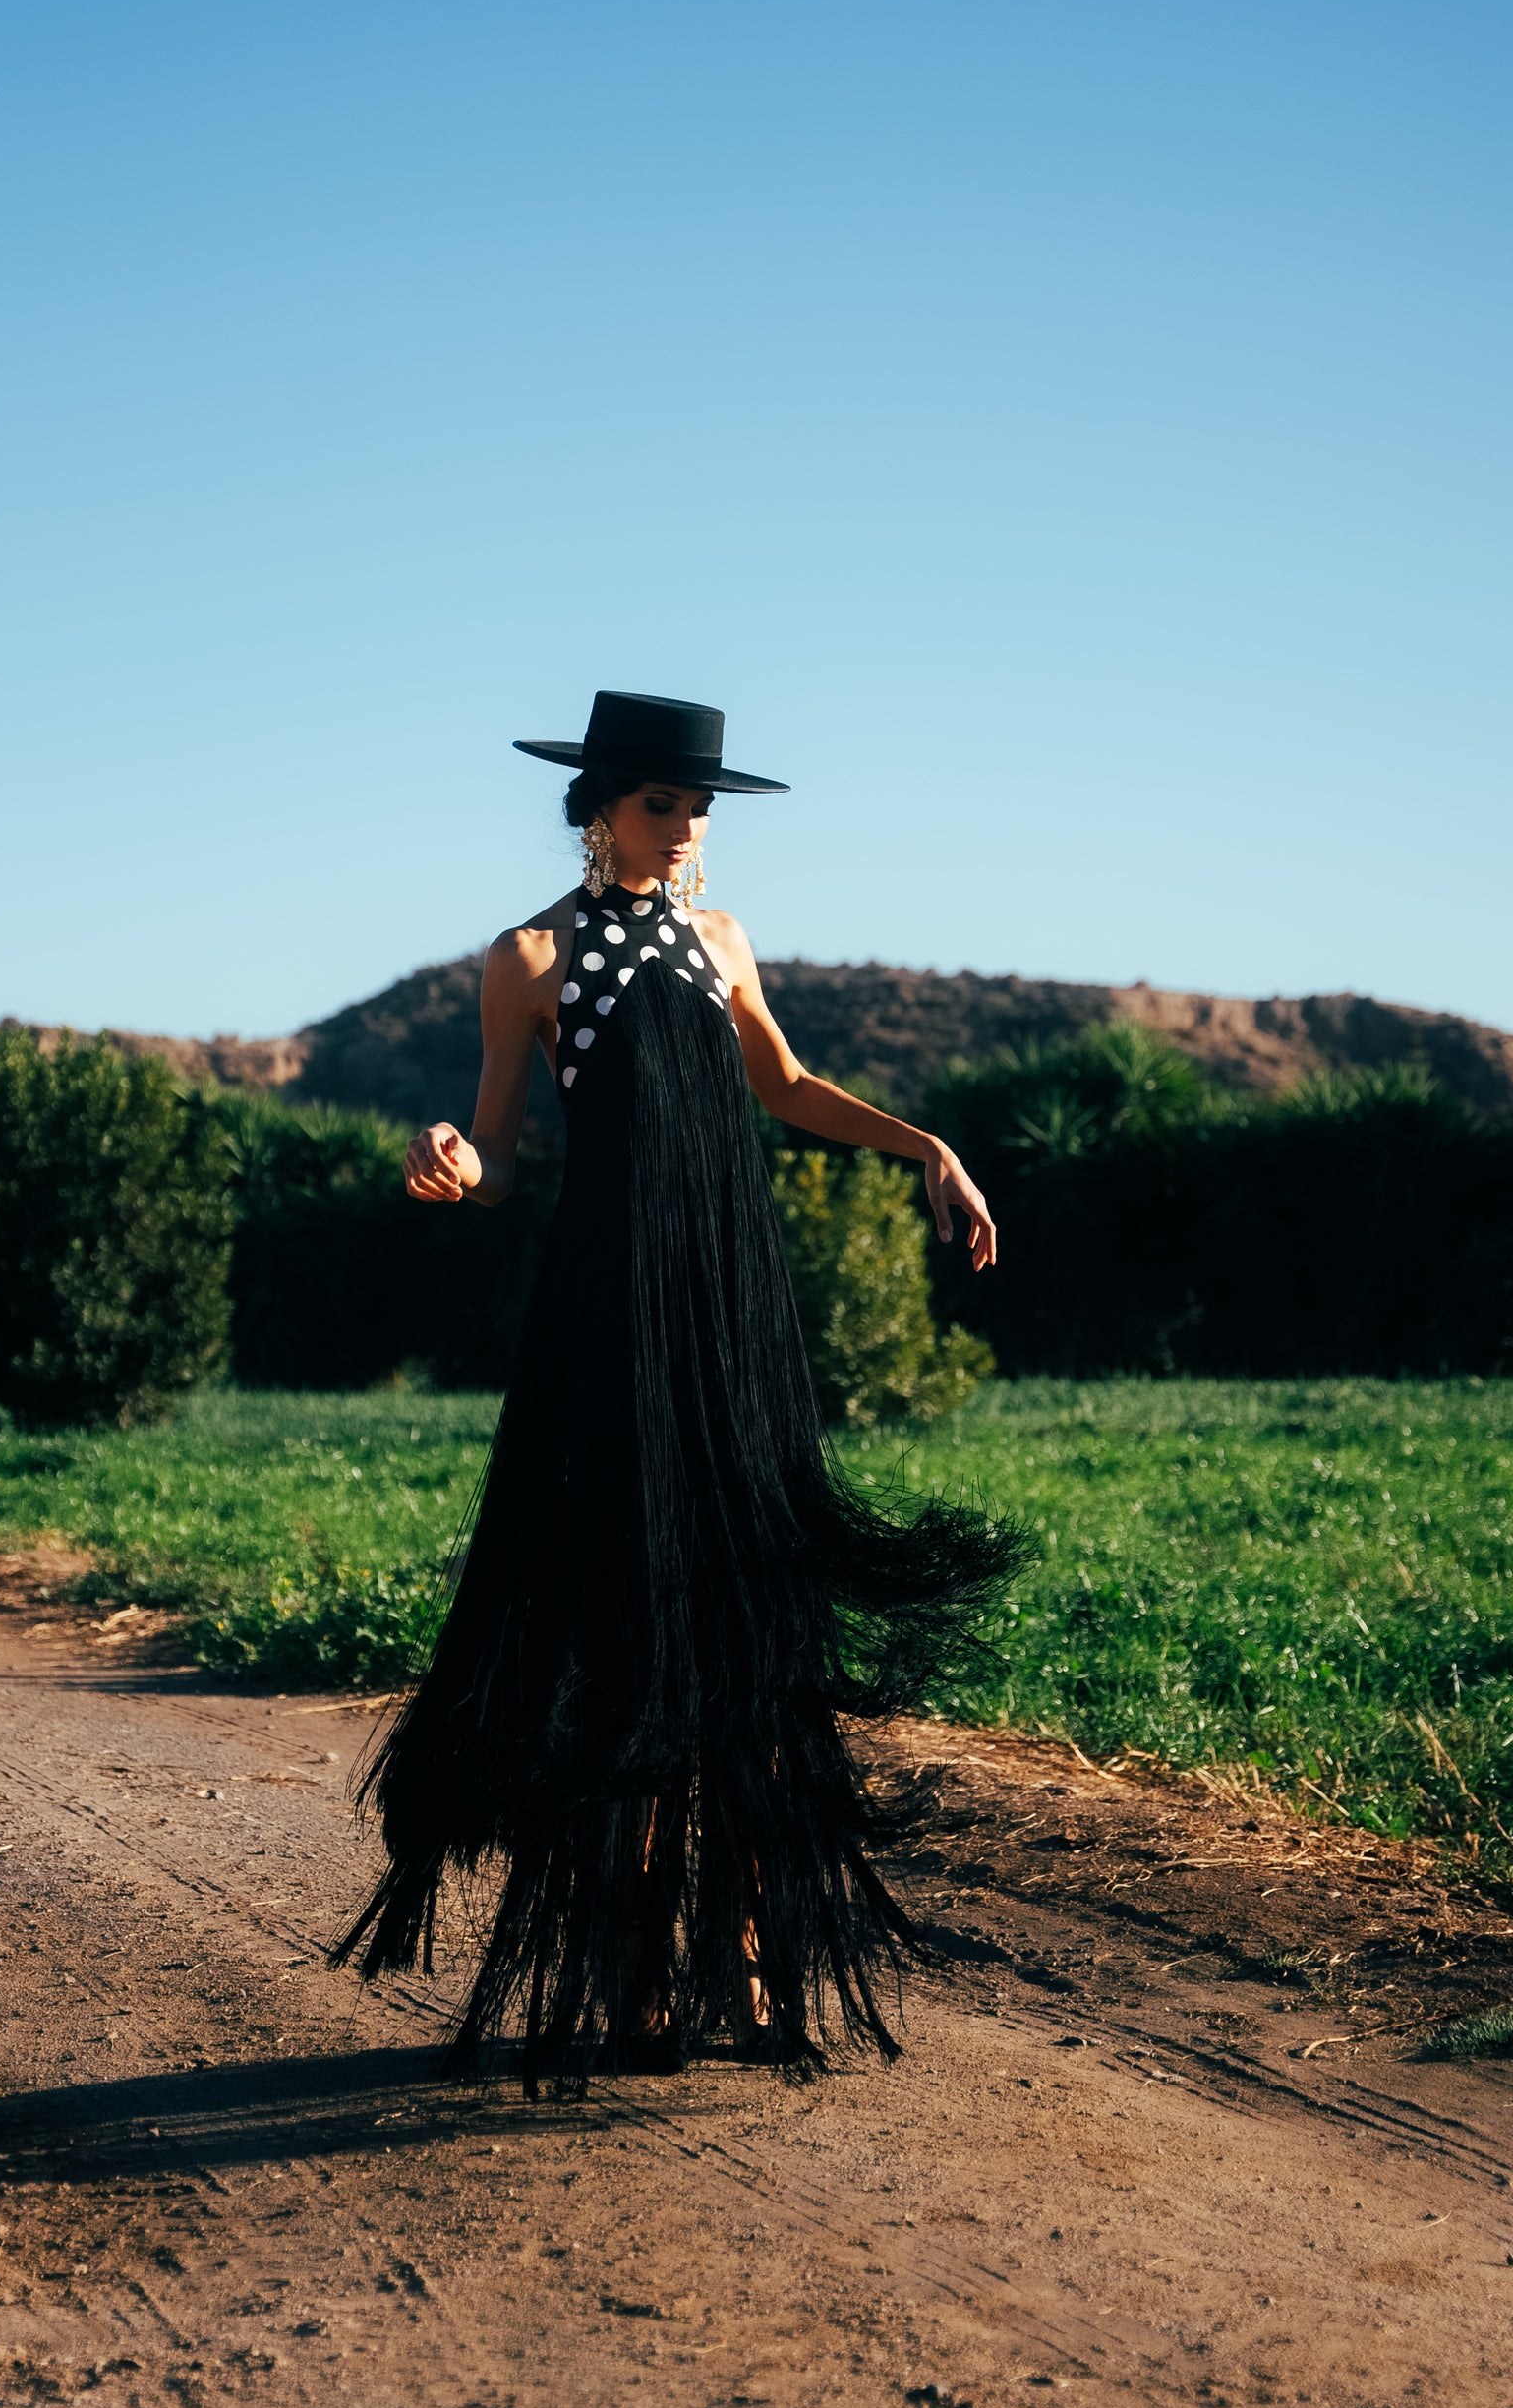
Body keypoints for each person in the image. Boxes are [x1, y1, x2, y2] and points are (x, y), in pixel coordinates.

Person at [332, 690, 1028, 2088]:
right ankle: (635, 1967)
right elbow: (508, 1144)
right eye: (663, 805)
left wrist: (929, 1143)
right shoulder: (529, 957)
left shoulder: (720, 941)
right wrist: (458, 1161)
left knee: (742, 1617)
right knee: (633, 1629)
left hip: (730, 1310)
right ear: (598, 803)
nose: (685, 831)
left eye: (698, 810)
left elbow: (785, 1082)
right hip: (611, 1322)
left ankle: (745, 1951)